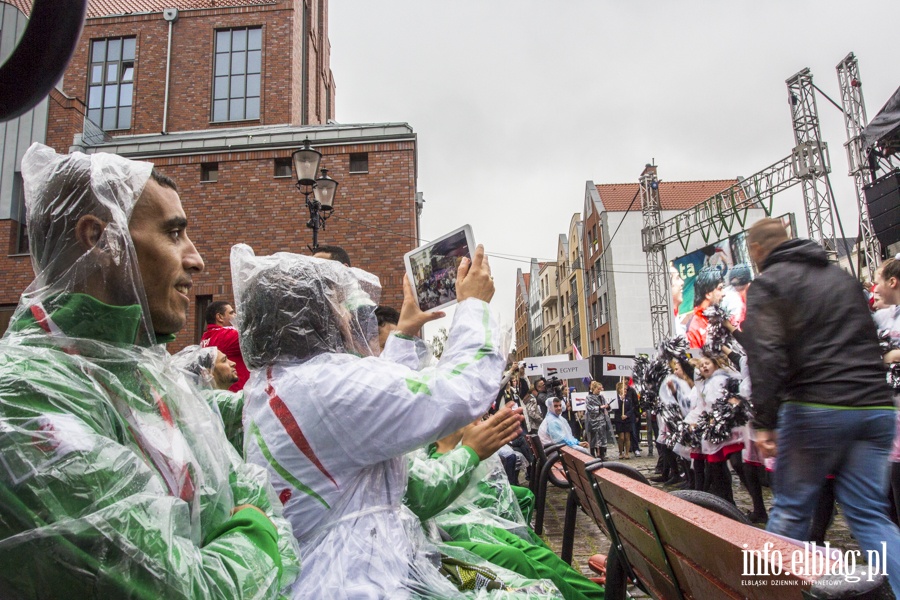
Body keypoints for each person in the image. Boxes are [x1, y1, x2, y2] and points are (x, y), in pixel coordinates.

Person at [0, 144, 299, 597]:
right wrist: (257, 532)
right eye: (174, 233)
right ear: (100, 241)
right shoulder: (24, 393)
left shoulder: (155, 376)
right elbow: (184, 589)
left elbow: (256, 498)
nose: (196, 259)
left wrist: (248, 529)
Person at [235, 243, 523, 598]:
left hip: (345, 569)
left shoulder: (281, 384)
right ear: (312, 316)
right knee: (519, 590)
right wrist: (474, 305)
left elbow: (377, 407)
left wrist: (405, 334)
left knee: (501, 584)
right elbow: (457, 392)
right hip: (362, 583)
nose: (346, 315)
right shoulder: (325, 386)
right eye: (337, 305)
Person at [742, 218, 900, 597]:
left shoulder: (769, 283)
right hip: (874, 406)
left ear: (759, 250)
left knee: (792, 510)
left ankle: (769, 593)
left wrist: (764, 422)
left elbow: (766, 355)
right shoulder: (842, 279)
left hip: (817, 405)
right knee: (869, 515)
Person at [873, 258, 900, 527]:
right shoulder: (885, 316)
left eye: (878, 280)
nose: (875, 287)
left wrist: (895, 354)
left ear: (893, 282)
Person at [200, 301, 249, 392]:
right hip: (238, 392)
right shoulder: (226, 335)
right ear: (220, 317)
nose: (236, 315)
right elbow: (256, 337)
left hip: (223, 391)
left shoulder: (206, 337)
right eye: (231, 313)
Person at [682, 267, 725, 349]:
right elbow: (695, 360)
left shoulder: (719, 318)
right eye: (720, 288)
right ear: (708, 293)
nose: (724, 293)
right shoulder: (693, 327)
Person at [584, 381, 613, 459]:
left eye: (600, 389)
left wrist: (607, 406)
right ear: (594, 388)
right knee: (593, 437)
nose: (599, 391)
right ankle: (592, 453)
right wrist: (599, 407)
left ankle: (602, 454)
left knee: (602, 436)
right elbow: (589, 408)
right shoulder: (589, 397)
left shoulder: (601, 397)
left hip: (602, 419)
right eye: (598, 389)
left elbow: (607, 407)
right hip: (592, 420)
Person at [610, 381, 634, 459]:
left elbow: (631, 409)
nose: (625, 391)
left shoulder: (629, 399)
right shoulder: (616, 399)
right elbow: (615, 409)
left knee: (627, 437)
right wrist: (621, 401)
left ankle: (627, 453)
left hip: (627, 420)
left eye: (626, 389)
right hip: (619, 420)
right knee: (621, 437)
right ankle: (620, 452)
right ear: (619, 390)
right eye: (624, 389)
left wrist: (626, 415)